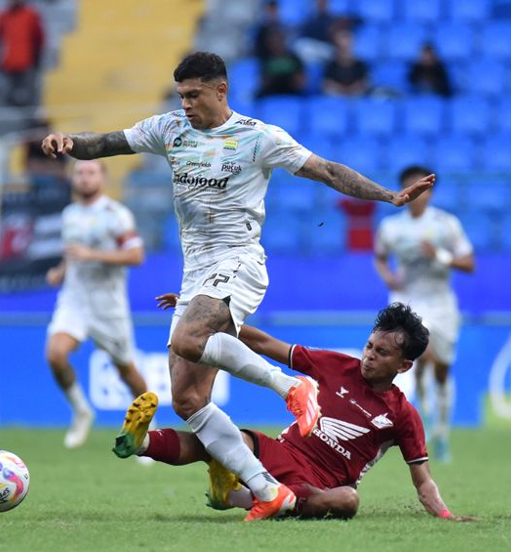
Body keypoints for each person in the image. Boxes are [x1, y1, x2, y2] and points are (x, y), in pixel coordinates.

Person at [40, 52, 434, 520]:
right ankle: (270, 490)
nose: (185, 104)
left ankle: (291, 389)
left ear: (220, 90)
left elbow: (326, 170)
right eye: (181, 95)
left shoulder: (257, 137)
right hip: (196, 273)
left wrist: (387, 195)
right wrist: (70, 143)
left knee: (190, 339)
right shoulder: (169, 129)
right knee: (188, 401)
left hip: (240, 260)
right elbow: (107, 143)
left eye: (194, 95)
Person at [118, 300, 476, 522]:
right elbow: (266, 344)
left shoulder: (402, 414)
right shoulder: (337, 365)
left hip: (321, 485)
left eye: (382, 353)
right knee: (222, 439)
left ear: (404, 366)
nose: (368, 356)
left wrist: (445, 514)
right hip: (282, 453)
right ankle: (142, 442)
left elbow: (422, 478)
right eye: (369, 346)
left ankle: (238, 496)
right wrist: (205, 320)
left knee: (349, 501)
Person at [45, 160, 148, 449]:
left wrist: (93, 255)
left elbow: (136, 255)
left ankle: (145, 427)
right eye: (79, 172)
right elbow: (72, 253)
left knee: (126, 370)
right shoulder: (70, 214)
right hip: (74, 300)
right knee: (55, 354)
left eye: (91, 172)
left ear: (102, 177)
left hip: (108, 305)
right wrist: (60, 272)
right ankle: (81, 410)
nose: (85, 178)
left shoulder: (116, 215)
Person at [374, 166, 475, 462]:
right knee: (419, 356)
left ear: (430, 192)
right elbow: (380, 257)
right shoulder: (391, 227)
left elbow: (469, 264)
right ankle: (425, 420)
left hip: (441, 303)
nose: (418, 195)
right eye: (411, 189)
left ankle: (442, 431)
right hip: (408, 302)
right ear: (404, 191)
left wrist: (440, 256)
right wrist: (387, 277)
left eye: (424, 189)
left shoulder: (447, 224)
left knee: (441, 369)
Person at [0, 0, 45, 108]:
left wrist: (36, 60)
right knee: (7, 97)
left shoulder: (31, 15)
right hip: (7, 64)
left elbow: (39, 39)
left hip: (26, 63)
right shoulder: (2, 16)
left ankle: (30, 120)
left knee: (28, 96)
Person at [255, 29, 307, 98]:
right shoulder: (265, 59)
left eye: (278, 40)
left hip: (292, 94)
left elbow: (301, 82)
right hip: (270, 95)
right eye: (273, 41)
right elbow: (264, 82)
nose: (276, 43)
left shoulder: (294, 58)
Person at [323, 28, 370, 97]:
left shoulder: (360, 65)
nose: (345, 45)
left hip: (356, 97)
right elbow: (326, 85)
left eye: (347, 39)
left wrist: (352, 89)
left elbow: (364, 84)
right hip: (336, 97)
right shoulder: (330, 65)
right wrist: (340, 90)